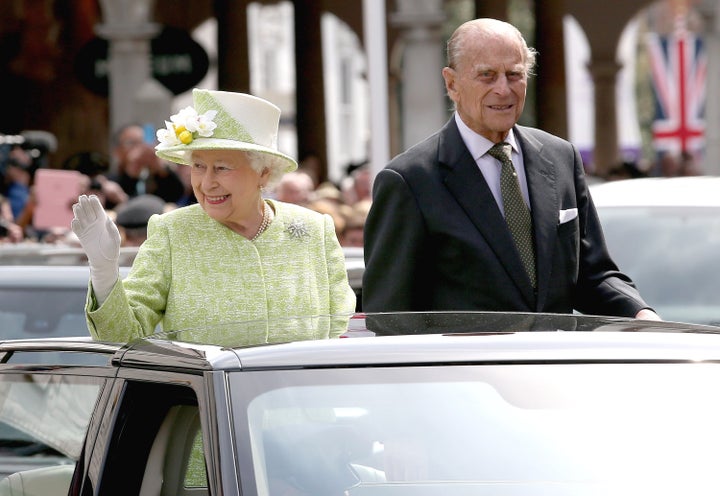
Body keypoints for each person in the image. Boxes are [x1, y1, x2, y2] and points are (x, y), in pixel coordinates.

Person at [362, 18, 660, 321]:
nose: (503, 90)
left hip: (556, 364)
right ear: (452, 84)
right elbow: (390, 316)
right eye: (487, 76)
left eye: (514, 74)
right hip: (464, 367)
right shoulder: (410, 181)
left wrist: (640, 313)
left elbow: (593, 274)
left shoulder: (560, 159)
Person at [71, 88, 356, 344]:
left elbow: (338, 330)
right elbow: (121, 337)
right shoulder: (173, 233)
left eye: (221, 168)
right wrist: (104, 272)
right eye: (198, 166)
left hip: (299, 399)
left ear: (264, 172)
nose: (206, 184)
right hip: (208, 401)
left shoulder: (313, 229)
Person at [108, 123, 185, 205]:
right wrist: (132, 171)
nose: (140, 148)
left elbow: (178, 194)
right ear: (117, 151)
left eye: (142, 143)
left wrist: (161, 169)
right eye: (132, 143)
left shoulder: (155, 177)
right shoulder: (110, 182)